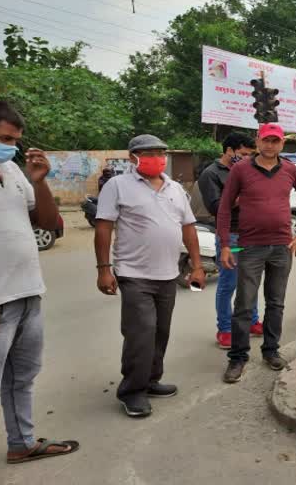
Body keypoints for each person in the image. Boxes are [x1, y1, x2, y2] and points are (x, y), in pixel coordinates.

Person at [0, 100, 79, 485]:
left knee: (23, 378)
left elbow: (46, 222)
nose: (10, 146)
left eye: (15, 140)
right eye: (3, 138)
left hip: (28, 294)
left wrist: (39, 181)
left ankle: (22, 443)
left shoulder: (9, 168)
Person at [95, 134, 205, 418]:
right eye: (149, 152)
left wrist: (197, 266)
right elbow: (104, 227)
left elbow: (189, 228)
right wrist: (104, 269)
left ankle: (151, 380)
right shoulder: (117, 186)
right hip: (133, 274)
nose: (157, 157)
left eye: (160, 152)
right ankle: (132, 391)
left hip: (168, 274)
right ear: (133, 157)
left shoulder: (175, 188)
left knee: (160, 332)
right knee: (140, 333)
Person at [218, 123, 296, 383]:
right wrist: (225, 244)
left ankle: (271, 350)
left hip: (281, 247)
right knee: (244, 304)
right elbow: (224, 208)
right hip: (250, 247)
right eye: (266, 140)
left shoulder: (289, 169)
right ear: (258, 141)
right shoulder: (241, 169)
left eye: (275, 141)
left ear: (282, 143)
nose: (270, 145)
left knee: (276, 302)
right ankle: (238, 357)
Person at [197, 132, 263, 349]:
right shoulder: (211, 174)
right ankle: (224, 329)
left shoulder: (250, 169)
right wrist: (241, 195)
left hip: (253, 232)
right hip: (231, 234)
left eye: (250, 154)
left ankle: (252, 321)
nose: (247, 158)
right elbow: (216, 207)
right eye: (243, 154)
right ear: (229, 151)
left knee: (251, 280)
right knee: (229, 283)